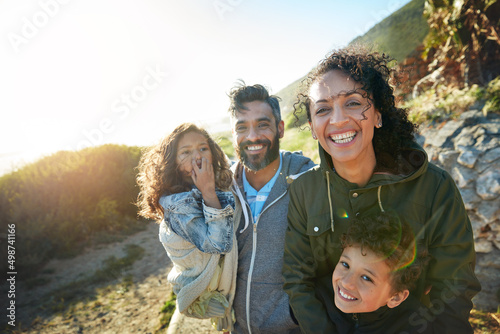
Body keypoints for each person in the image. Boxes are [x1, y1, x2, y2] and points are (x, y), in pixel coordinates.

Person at [283, 45, 480, 334]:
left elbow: (454, 286)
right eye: (323, 109)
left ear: (377, 114)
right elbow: (298, 281)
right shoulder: (305, 190)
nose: (337, 119)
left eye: (352, 102)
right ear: (312, 127)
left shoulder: (433, 187)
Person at [227, 82, 316, 333]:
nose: (252, 136)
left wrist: (295, 316)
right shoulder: (223, 188)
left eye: (262, 124)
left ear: (280, 128)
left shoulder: (306, 179)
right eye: (242, 127)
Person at [136, 123, 239, 331]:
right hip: (206, 287)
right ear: (172, 161)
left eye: (203, 148)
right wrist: (209, 191)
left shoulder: (213, 181)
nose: (197, 156)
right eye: (185, 152)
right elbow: (218, 244)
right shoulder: (177, 205)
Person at [324, 211, 432, 334]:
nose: (346, 282)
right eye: (345, 264)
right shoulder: (316, 298)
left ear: (395, 297)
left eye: (366, 278)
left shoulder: (416, 325)